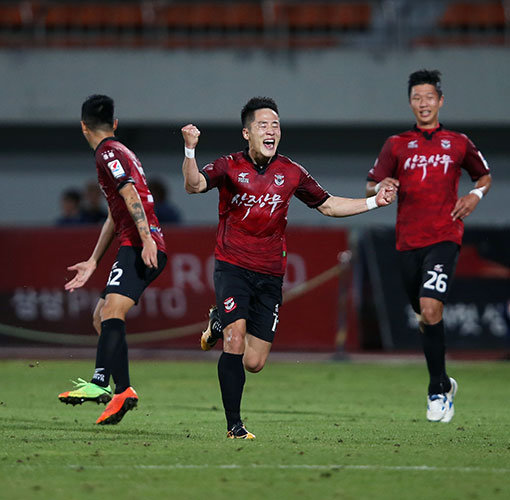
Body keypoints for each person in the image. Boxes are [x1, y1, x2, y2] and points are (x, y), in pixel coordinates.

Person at [181, 96, 396, 439]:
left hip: (270, 274)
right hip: (232, 266)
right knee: (234, 341)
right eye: (263, 125)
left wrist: (374, 201)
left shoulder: (292, 172)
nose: (271, 131)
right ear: (246, 133)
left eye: (276, 125)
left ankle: (217, 320)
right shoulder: (228, 166)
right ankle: (234, 426)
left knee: (254, 362)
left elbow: (328, 206)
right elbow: (193, 186)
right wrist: (190, 151)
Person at [365, 70, 491, 423]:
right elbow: (370, 185)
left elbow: (484, 175)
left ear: (440, 101)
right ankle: (444, 380)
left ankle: (436, 391)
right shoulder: (396, 144)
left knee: (430, 308)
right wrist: (381, 189)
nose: (423, 103)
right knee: (423, 316)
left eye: (429, 97)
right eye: (417, 98)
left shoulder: (459, 142)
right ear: (411, 103)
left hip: (444, 237)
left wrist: (474, 195)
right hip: (407, 242)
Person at [58, 95, 167, 425]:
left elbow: (131, 195)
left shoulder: (107, 152)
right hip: (134, 240)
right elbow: (115, 214)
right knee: (100, 316)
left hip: (139, 244)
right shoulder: (123, 151)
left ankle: (100, 383)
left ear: (82, 126)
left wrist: (146, 240)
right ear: (114, 124)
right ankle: (122, 391)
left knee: (111, 311)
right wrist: (93, 260)